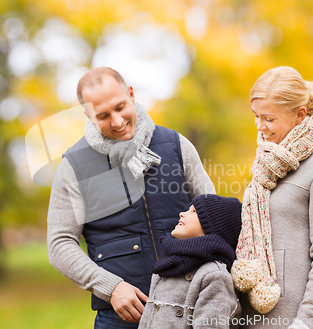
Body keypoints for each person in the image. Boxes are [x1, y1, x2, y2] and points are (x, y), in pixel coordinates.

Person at [47, 67, 215, 328]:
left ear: (131, 94)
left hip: (190, 306)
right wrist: (111, 288)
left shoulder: (175, 144)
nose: (116, 122)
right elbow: (59, 244)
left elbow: (211, 214)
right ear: (88, 115)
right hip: (121, 318)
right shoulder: (74, 166)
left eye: (120, 107)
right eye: (102, 116)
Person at [230, 66, 313, 329]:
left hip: (290, 319)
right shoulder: (267, 164)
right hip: (249, 313)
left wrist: (306, 322)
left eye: (269, 119)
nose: (260, 126)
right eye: (256, 116)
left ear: (300, 115)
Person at [138, 194, 242, 329]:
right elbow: (146, 322)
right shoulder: (165, 267)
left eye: (194, 211)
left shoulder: (214, 275)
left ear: (212, 227)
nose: (182, 214)